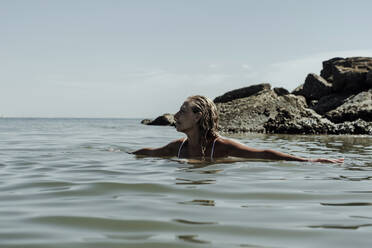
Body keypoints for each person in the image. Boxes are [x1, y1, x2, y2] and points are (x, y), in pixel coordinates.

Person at [132, 95, 344, 163]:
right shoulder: (178, 148)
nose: (176, 116)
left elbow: (264, 154)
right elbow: (149, 153)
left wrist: (308, 161)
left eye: (182, 111)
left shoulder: (221, 147)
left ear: (197, 117)